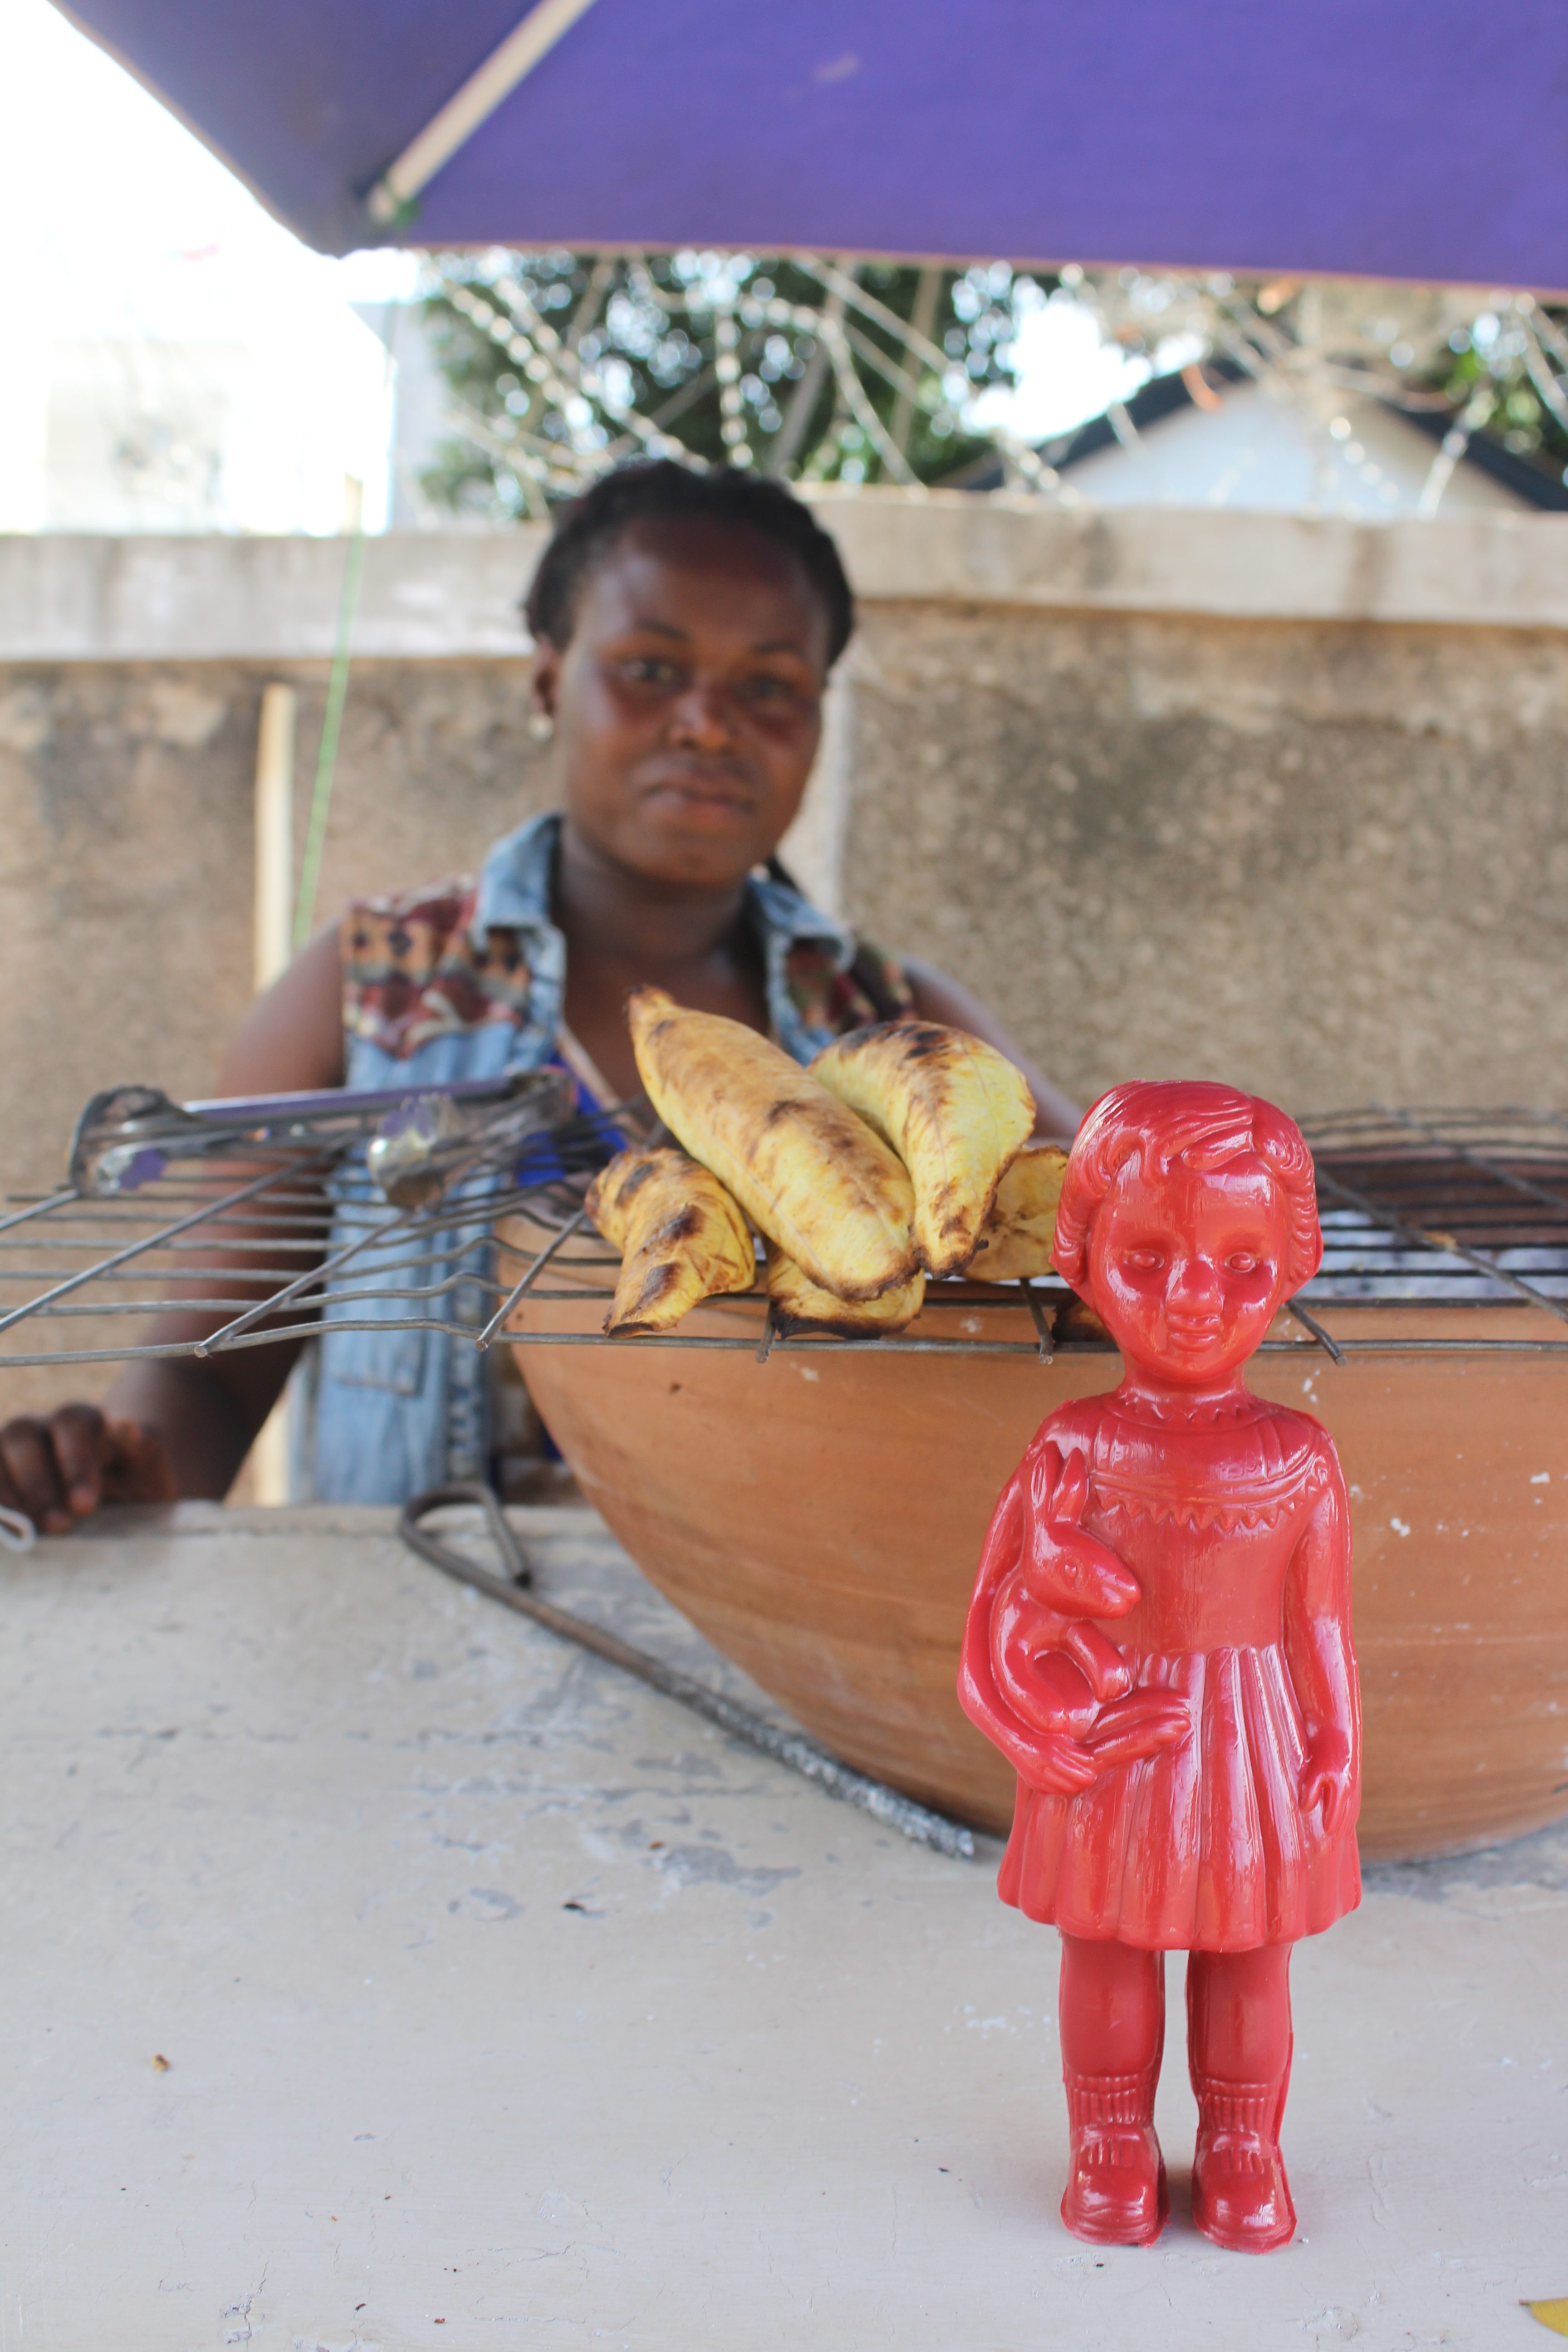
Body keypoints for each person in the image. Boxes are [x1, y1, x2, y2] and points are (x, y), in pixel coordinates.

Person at [0, 460, 1080, 1530]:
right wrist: (118, 1465)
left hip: (790, 1627)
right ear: (549, 681)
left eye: (768, 686)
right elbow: (210, 1373)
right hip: (439, 1632)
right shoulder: (377, 988)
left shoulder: (902, 1026)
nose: (708, 722)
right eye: (651, 669)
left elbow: (1107, 1243)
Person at [958, 1082, 1360, 2252]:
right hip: (1117, 1730)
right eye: (1148, 1258)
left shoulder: (1299, 1456)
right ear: (1079, 1259)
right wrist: (1038, 1728)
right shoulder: (1073, 1444)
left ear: (1293, 1266)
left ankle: (1244, 2146)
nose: (1194, 1302)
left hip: (1256, 1742)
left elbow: (1319, 1624)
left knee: (1250, 1963)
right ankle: (1111, 2142)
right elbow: (998, 1608)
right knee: (1109, 1952)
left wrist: (1337, 1738)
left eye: (1242, 1267)